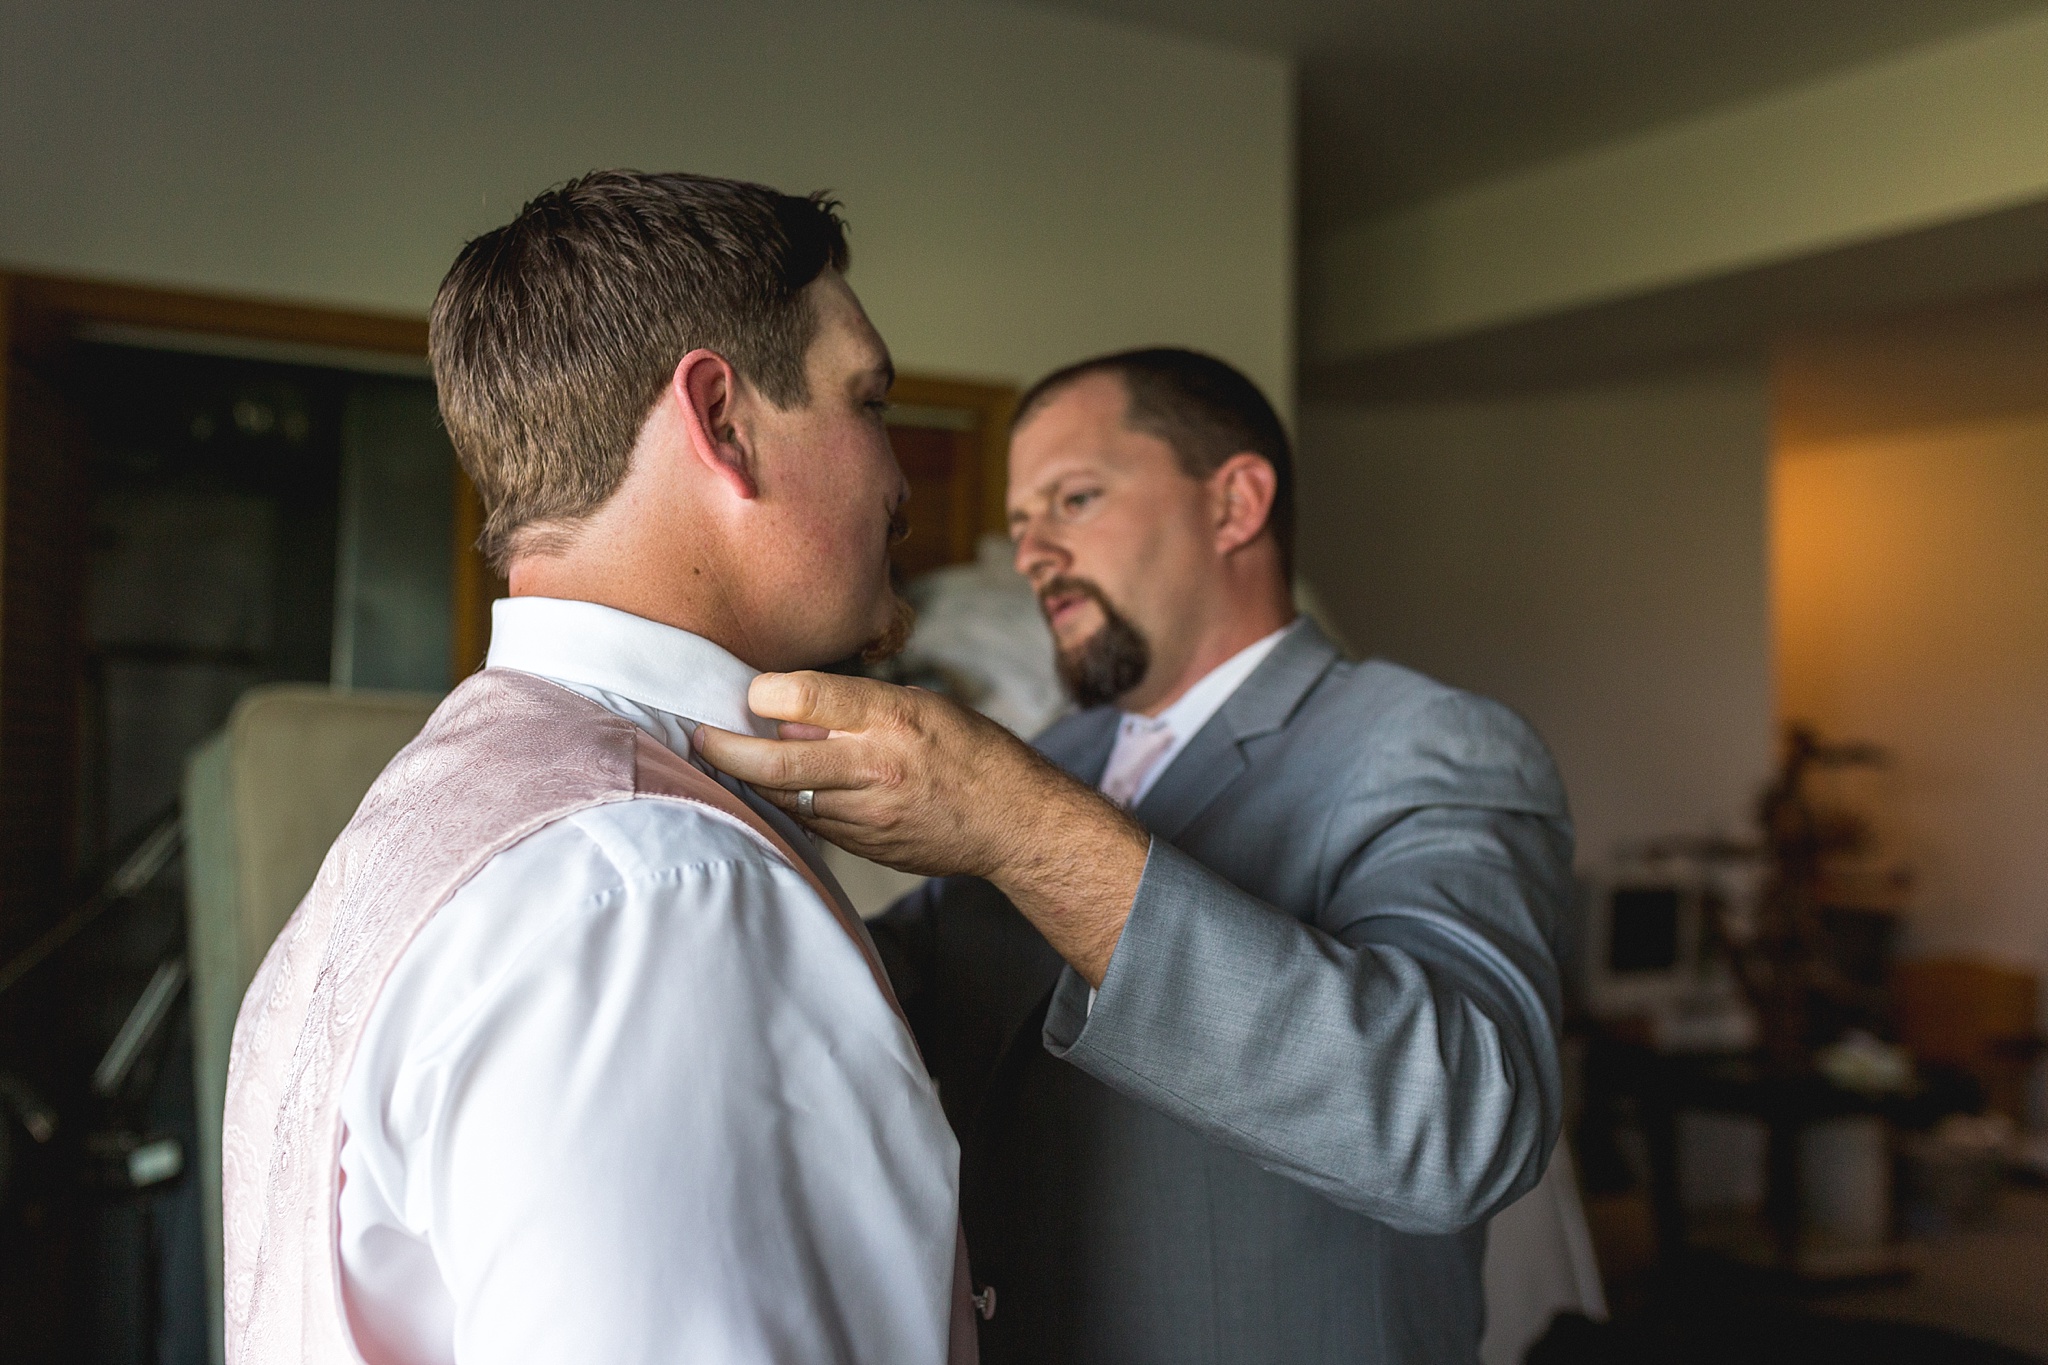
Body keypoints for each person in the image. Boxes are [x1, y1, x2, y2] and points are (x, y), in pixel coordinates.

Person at [221, 171, 975, 1365]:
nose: (894, 483)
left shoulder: (422, 825)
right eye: (869, 403)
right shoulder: (654, 890)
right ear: (721, 422)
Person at [695, 348, 1576, 1364]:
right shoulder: (1052, 759)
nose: (1031, 553)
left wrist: (1021, 825)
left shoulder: (1427, 744)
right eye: (1021, 524)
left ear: (1235, 503)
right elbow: (890, 1003)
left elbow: (1459, 1128)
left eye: (1073, 499)